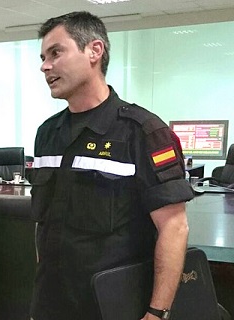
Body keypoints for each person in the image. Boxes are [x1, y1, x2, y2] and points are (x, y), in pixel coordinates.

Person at [29, 11, 194, 320]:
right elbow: (45, 224)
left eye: (56, 53)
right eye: (43, 57)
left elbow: (174, 226)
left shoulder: (143, 132)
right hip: (52, 303)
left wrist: (157, 313)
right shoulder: (47, 134)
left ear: (94, 51)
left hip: (113, 305)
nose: (45, 66)